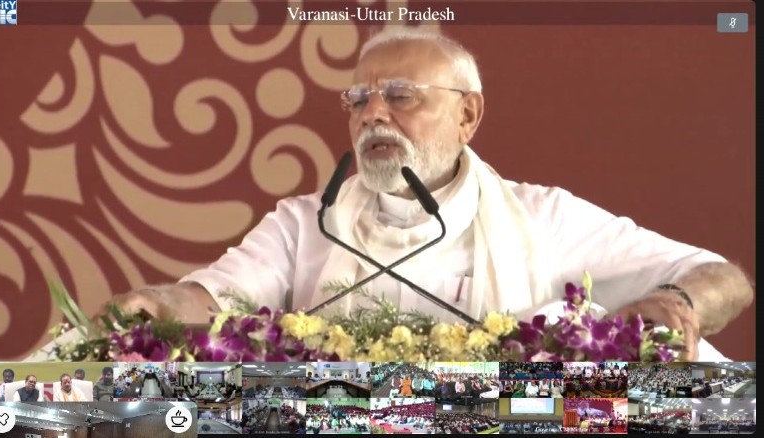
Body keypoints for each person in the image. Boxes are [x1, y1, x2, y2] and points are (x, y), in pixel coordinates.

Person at [96, 27, 751, 362]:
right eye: (359, 100)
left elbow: (725, 278)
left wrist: (676, 302)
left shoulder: (542, 218)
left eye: (401, 97)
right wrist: (160, 303)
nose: (372, 115)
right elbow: (211, 299)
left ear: (468, 115)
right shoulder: (305, 223)